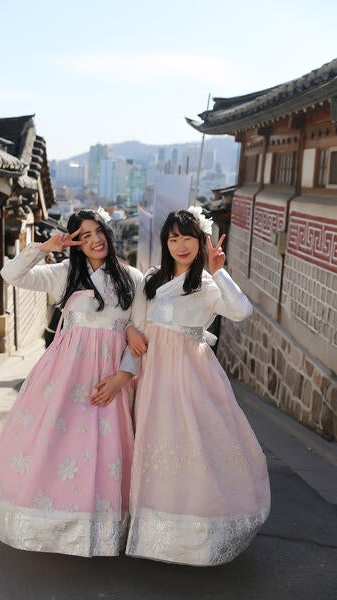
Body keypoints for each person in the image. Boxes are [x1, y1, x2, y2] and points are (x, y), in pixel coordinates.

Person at [0, 208, 143, 556]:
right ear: (75, 242)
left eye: (98, 231)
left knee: (105, 451)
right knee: (58, 445)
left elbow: (140, 329)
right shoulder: (64, 273)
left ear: (108, 232)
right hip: (65, 375)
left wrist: (122, 376)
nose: (94, 240)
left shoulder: (133, 278)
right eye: (84, 235)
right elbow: (10, 273)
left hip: (109, 377)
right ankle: (54, 522)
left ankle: (99, 530)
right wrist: (44, 247)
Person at [125, 207, 270, 566]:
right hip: (154, 376)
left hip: (192, 376)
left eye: (188, 237)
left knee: (195, 446)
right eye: (173, 238)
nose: (181, 245)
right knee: (155, 444)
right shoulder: (152, 280)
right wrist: (129, 331)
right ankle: (153, 533)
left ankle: (198, 535)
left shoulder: (206, 284)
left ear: (201, 241)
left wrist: (221, 274)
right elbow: (137, 322)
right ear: (165, 243)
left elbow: (241, 311)